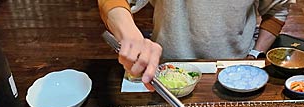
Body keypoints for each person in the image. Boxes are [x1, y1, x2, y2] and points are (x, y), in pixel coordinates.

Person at [98, 0, 292, 85]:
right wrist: (130, 34)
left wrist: (255, 55)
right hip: (167, 71)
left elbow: (277, 11)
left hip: (235, 71)